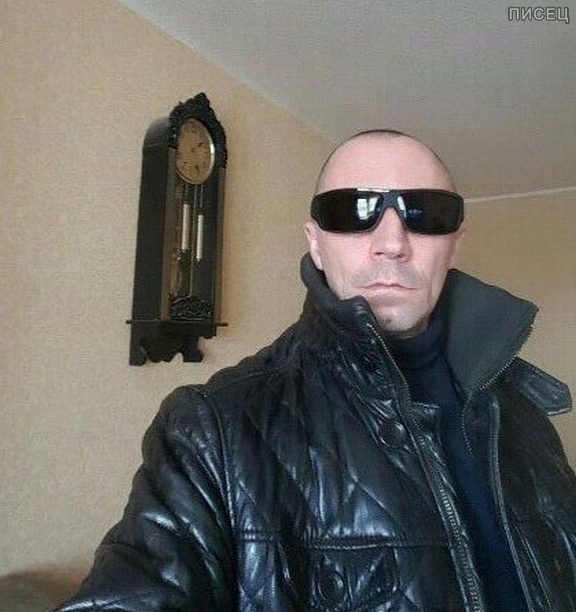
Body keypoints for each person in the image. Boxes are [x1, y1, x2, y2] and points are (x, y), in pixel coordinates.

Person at [57, 131, 575, 611]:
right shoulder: (210, 429)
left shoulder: (523, 412)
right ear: (316, 243)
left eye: (423, 212)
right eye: (353, 210)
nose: (392, 241)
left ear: (454, 242)